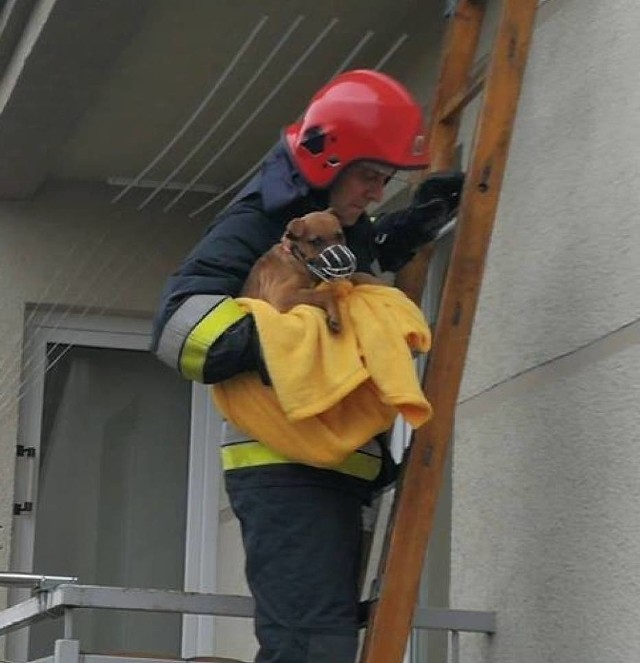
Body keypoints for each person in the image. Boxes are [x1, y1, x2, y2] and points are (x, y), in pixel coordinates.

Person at [151, 69, 463, 663]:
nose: (376, 193)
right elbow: (178, 331)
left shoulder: (332, 224)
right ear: (328, 159)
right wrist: (294, 340)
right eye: (371, 177)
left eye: (386, 181)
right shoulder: (257, 224)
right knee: (310, 650)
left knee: (324, 643)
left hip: (334, 470)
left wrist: (413, 226)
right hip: (287, 475)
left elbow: (343, 274)